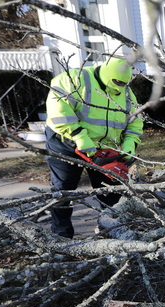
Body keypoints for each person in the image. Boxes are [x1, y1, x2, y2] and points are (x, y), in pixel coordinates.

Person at [44, 57, 144, 238]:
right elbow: (58, 110)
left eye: (124, 83)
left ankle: (111, 230)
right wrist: (79, 137)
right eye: (117, 83)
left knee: (110, 190)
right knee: (63, 189)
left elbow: (135, 122)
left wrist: (129, 146)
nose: (120, 88)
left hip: (102, 147)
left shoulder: (126, 93)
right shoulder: (74, 78)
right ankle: (61, 235)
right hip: (65, 142)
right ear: (106, 74)